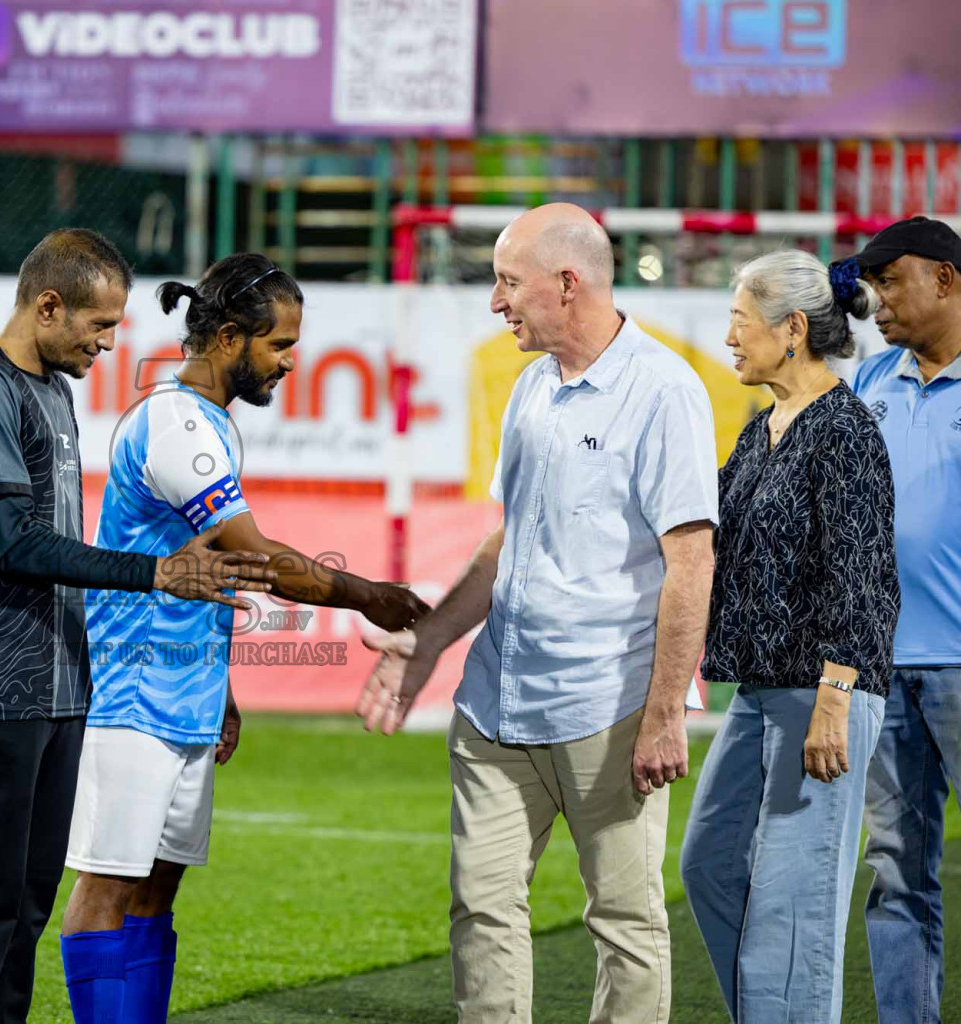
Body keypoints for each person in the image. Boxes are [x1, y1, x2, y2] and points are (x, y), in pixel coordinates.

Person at [356, 203, 718, 1024]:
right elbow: (510, 539)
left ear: (568, 283)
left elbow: (691, 564)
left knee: (624, 925)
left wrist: (667, 711)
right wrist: (431, 642)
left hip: (610, 707)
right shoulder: (529, 387)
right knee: (481, 912)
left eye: (507, 282)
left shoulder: (664, 391)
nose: (495, 302)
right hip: (496, 703)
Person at [58, 253, 429, 1024]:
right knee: (107, 886)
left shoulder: (213, 421)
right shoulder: (175, 423)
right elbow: (250, 556)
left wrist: (219, 685)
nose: (291, 362)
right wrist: (370, 598)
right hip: (130, 696)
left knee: (159, 887)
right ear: (228, 338)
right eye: (280, 345)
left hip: (183, 694)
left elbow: (209, 575)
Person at [0, 229, 276, 1023]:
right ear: (47, 305)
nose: (110, 344)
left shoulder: (51, 388)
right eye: (98, 325)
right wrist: (156, 571)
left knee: (26, 906)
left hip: (57, 685)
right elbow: (16, 547)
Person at [679, 250, 898, 1023]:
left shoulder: (845, 430)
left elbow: (863, 577)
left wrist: (835, 702)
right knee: (709, 864)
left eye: (740, 320)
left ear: (792, 329)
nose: (729, 337)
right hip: (760, 695)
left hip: (822, 695)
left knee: (792, 909)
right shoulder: (759, 430)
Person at [851, 216, 961, 1023]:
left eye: (892, 281)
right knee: (895, 871)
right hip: (880, 668)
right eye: (872, 284)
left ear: (947, 281)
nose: (876, 300)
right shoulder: (869, 381)